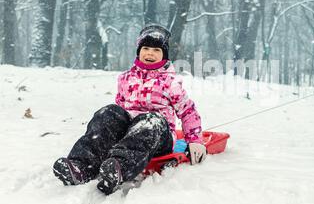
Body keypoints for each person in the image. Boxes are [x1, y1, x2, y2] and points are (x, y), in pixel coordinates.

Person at [52, 24, 205, 194]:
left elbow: (188, 112)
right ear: (139, 51)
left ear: (164, 55)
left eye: (156, 50)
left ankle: (118, 168)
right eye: (146, 48)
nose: (150, 53)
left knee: (149, 120)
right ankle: (81, 165)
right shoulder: (126, 79)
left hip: (158, 135)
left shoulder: (171, 83)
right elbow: (120, 110)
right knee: (109, 112)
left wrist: (195, 141)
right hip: (129, 133)